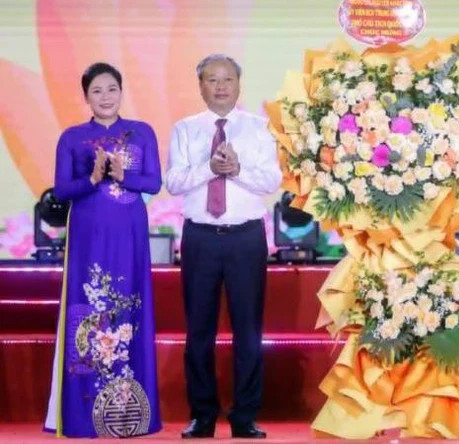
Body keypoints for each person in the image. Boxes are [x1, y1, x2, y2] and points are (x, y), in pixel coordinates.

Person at [165, 54, 282, 439]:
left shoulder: (259, 128)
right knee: (199, 331)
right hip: (200, 237)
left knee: (248, 330)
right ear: (200, 85)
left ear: (238, 84)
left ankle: (245, 417)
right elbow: (175, 182)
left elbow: (270, 182)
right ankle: (202, 415)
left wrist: (238, 169)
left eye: (227, 79)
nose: (220, 86)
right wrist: (209, 169)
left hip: (245, 237)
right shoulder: (185, 129)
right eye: (211, 80)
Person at [44, 62, 163, 438]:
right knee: (89, 310)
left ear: (121, 91)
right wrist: (92, 178)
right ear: (85, 97)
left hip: (129, 236)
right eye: (97, 91)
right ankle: (83, 414)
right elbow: (61, 191)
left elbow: (156, 183)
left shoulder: (142, 132)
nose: (105, 97)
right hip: (88, 237)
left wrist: (123, 176)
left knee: (130, 307)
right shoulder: (72, 137)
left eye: (111, 89)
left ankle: (131, 412)